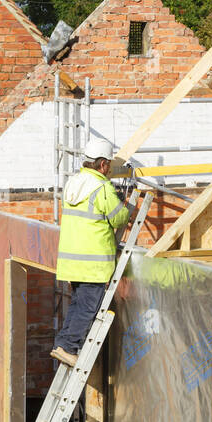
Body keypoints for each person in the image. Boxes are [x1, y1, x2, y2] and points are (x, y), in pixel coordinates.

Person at [50, 139, 133, 366]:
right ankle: (67, 347)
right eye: (109, 167)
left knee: (78, 305)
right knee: (87, 308)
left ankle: (62, 344)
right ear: (103, 164)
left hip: (72, 262)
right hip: (93, 264)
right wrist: (125, 207)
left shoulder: (73, 184)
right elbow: (118, 217)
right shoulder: (101, 187)